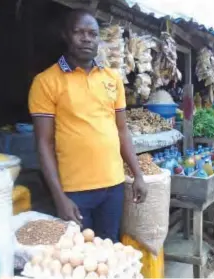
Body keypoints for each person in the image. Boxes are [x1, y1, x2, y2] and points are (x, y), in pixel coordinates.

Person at [28, 9, 147, 242]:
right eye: (78, 32)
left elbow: (122, 131)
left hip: (113, 185)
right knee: (79, 255)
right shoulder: (46, 82)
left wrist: (138, 174)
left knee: (109, 249)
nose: (86, 38)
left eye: (92, 33)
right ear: (65, 35)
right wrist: (59, 196)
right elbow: (43, 143)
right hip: (75, 190)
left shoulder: (112, 78)